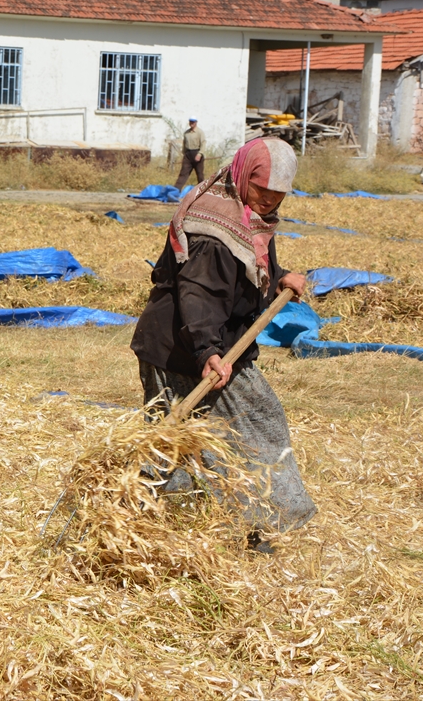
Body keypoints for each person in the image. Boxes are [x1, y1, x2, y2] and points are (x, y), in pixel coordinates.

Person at [130, 137, 315, 553]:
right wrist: (207, 352)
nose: (268, 201)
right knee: (182, 437)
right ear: (242, 175)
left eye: (277, 194)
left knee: (217, 431)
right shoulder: (216, 227)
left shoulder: (242, 211)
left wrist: (280, 276)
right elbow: (199, 294)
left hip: (211, 344)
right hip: (182, 346)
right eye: (261, 190)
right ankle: (146, 523)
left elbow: (251, 262)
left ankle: (243, 522)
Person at [173, 117, 206, 190]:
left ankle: (202, 191)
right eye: (190, 121)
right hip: (188, 154)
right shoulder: (186, 133)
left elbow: (203, 143)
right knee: (183, 173)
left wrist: (200, 153)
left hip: (197, 153)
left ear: (196, 122)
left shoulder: (200, 132)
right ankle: (176, 190)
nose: (191, 123)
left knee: (200, 174)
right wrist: (184, 154)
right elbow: (184, 144)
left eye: (193, 122)